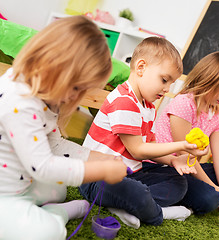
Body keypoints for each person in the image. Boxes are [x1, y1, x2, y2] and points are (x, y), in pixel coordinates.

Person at [0, 16, 128, 240]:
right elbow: (42, 167)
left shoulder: (45, 92)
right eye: (76, 87)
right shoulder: (17, 100)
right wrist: (102, 171)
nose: (76, 99)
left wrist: (100, 158)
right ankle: (56, 215)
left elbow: (54, 144)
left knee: (58, 189)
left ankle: (41, 209)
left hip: (18, 182)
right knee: (49, 233)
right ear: (53, 65)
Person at [80, 37, 209, 229]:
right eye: (164, 80)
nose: (167, 89)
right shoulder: (124, 100)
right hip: (97, 177)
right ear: (141, 68)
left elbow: (151, 149)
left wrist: (173, 160)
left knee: (178, 182)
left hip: (131, 174)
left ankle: (129, 205)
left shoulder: (148, 107)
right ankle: (158, 213)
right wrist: (182, 146)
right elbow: (138, 150)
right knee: (134, 191)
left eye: (171, 84)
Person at [155, 51, 219, 220]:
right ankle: (186, 203)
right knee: (208, 198)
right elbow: (185, 155)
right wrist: (214, 188)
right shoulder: (184, 103)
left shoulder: (216, 113)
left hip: (188, 169)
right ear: (208, 81)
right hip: (163, 167)